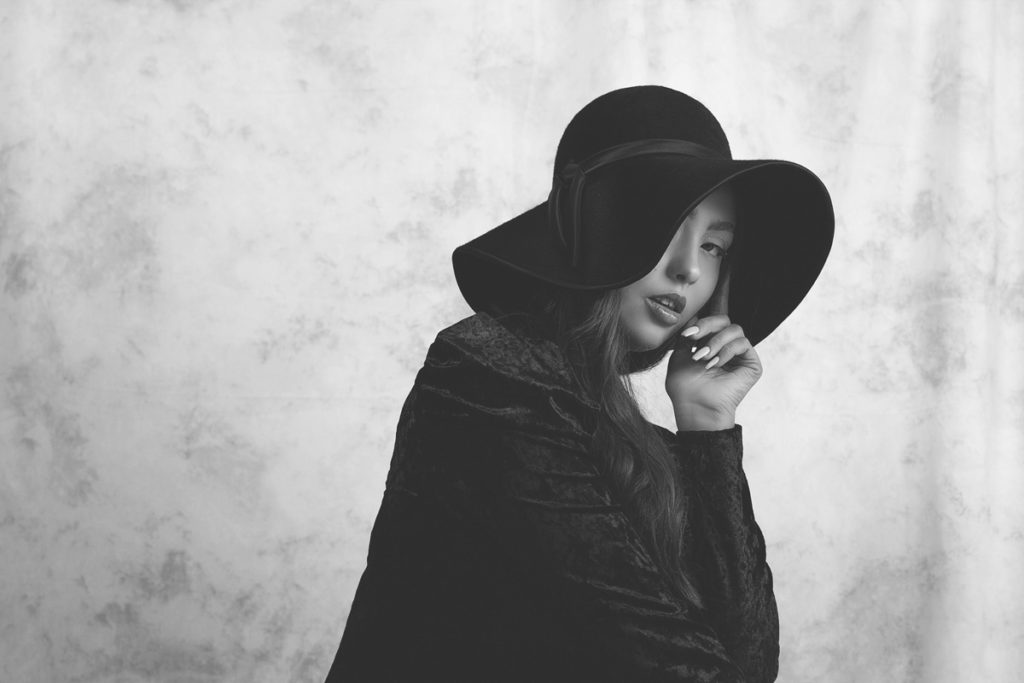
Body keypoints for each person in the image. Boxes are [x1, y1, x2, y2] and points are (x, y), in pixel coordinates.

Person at [325, 85, 835, 682]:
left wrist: (707, 427)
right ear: (601, 223)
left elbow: (748, 666)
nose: (690, 269)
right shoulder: (490, 376)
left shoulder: (628, 436)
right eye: (669, 224)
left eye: (715, 245)